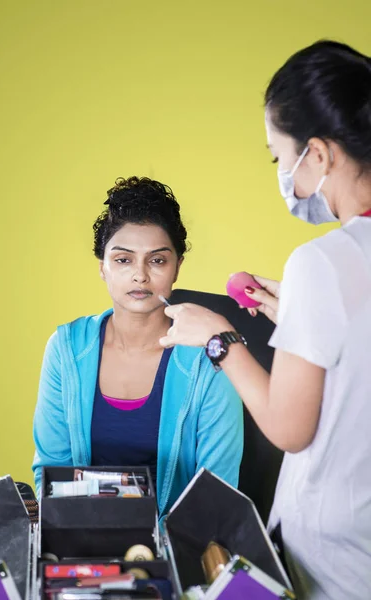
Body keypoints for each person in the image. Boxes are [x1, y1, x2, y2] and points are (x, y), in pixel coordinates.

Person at [159, 41, 371, 599]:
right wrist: (300, 314)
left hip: (337, 553)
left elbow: (288, 428)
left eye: (281, 157)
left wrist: (218, 337)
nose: (283, 174)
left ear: (319, 156)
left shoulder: (321, 263)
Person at [32, 176, 243, 519]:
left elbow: (217, 492)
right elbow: (52, 474)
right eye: (123, 260)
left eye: (157, 260)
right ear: (103, 267)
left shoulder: (210, 356)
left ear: (177, 268)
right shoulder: (66, 349)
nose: (140, 276)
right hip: (80, 545)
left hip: (178, 552)